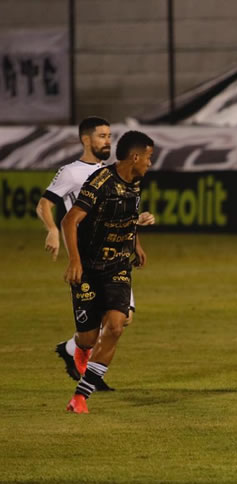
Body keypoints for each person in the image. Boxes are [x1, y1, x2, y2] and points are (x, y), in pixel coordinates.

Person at [36, 117, 155, 390]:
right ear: (86, 140)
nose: (108, 141)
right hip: (88, 258)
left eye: (110, 136)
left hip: (115, 260)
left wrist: (135, 239)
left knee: (121, 320)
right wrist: (52, 229)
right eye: (102, 136)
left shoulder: (120, 172)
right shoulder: (71, 173)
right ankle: (81, 358)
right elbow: (45, 205)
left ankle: (87, 370)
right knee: (97, 332)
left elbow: (117, 214)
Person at [62, 130, 154, 413]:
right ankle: (76, 347)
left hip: (118, 267)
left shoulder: (135, 184)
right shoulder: (100, 182)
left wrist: (135, 241)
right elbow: (69, 221)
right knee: (89, 338)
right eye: (149, 158)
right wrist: (75, 261)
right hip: (88, 267)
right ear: (135, 157)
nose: (150, 164)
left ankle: (80, 397)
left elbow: (125, 217)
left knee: (115, 326)